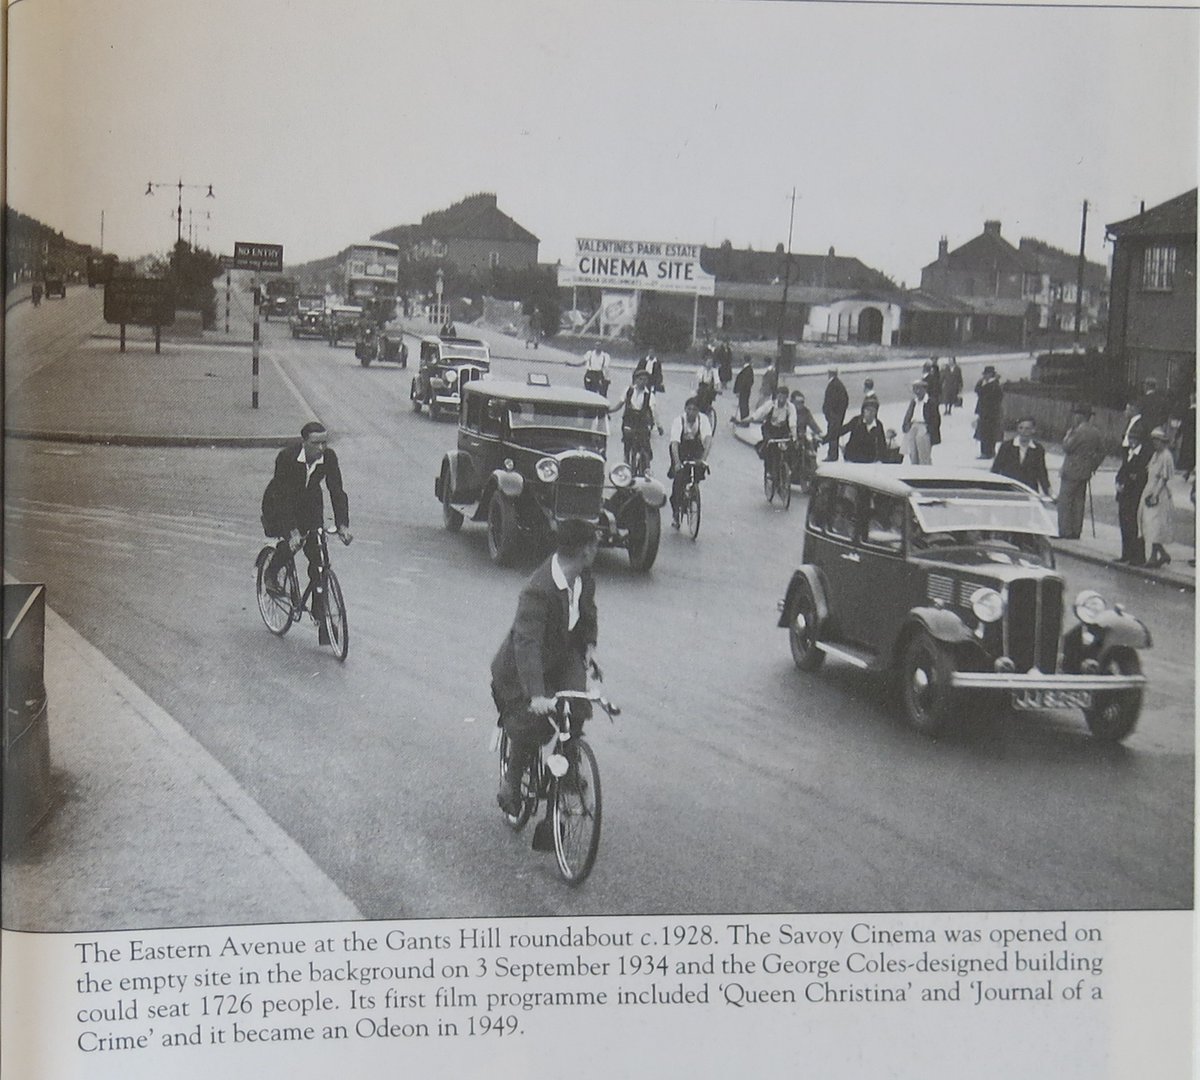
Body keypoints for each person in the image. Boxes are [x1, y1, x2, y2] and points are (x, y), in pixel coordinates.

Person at [492, 519, 599, 838]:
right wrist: (537, 694)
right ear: (585, 551)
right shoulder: (537, 590)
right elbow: (526, 644)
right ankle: (512, 783)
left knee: (578, 706)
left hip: (561, 655)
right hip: (523, 668)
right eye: (594, 544)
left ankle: (566, 769)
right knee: (534, 719)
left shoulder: (583, 577)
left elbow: (587, 614)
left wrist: (589, 649)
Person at [261, 422, 353, 632]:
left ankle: (320, 613)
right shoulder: (287, 458)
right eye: (316, 443)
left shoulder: (329, 458)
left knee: (319, 556)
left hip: (309, 505)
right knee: (293, 544)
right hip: (279, 504)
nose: (321, 448)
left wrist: (342, 525)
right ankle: (271, 573)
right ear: (304, 442)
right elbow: (282, 497)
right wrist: (292, 531)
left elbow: (336, 490)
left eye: (324, 443)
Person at [1057, 403, 1106, 539]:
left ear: (1080, 416)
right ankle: (1076, 531)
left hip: (1071, 470)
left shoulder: (1077, 431)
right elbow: (1102, 452)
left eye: (1076, 414)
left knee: (1065, 501)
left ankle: (1065, 531)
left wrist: (1068, 435)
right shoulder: (1096, 432)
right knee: (1079, 501)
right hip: (1085, 472)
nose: (1074, 417)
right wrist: (1092, 465)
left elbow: (1067, 447)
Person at [668, 397, 713, 528]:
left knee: (698, 472)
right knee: (679, 481)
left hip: (695, 450)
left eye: (695, 409)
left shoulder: (703, 420)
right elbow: (674, 444)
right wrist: (677, 463)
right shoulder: (679, 421)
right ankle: (676, 514)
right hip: (681, 451)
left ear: (698, 411)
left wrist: (703, 459)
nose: (692, 412)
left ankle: (693, 492)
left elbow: (708, 440)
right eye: (689, 409)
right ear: (685, 409)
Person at [1114, 424, 1151, 566]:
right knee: (1124, 524)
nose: (1131, 441)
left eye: (1134, 438)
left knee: (1134, 525)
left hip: (1134, 496)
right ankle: (1126, 553)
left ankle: (1137, 557)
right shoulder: (1129, 453)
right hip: (1124, 494)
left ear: (1140, 440)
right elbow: (1123, 471)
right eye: (1130, 438)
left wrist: (1127, 481)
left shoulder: (1143, 455)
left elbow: (1139, 476)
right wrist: (1118, 482)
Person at [611, 369, 663, 470]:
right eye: (640, 379)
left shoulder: (649, 395)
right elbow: (620, 403)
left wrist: (659, 425)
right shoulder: (629, 391)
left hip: (641, 422)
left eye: (645, 380)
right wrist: (610, 410)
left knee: (644, 444)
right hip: (629, 420)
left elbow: (653, 411)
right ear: (635, 380)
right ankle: (626, 460)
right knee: (627, 441)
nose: (642, 382)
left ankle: (645, 466)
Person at [1140, 427, 1176, 567]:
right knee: (1149, 525)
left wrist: (1155, 494)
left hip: (1159, 494)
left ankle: (1154, 556)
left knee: (1155, 525)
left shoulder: (1166, 456)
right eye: (1153, 440)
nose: (1155, 443)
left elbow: (1164, 478)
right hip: (1149, 489)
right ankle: (1162, 554)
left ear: (1163, 441)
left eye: (1158, 440)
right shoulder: (1155, 455)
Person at [991, 418, 1051, 494]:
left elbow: (1042, 473)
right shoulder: (1006, 446)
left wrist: (1048, 492)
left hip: (1029, 490)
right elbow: (996, 468)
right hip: (1008, 489)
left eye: (1027, 429)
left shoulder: (1038, 449)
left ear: (1033, 430)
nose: (1023, 432)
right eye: (1021, 428)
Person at [901, 379, 937, 465]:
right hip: (913, 426)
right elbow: (908, 414)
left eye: (919, 389)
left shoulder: (930, 402)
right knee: (912, 453)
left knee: (923, 454)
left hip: (924, 426)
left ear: (924, 389)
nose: (917, 392)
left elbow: (935, 419)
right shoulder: (914, 402)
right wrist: (906, 426)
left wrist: (929, 430)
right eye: (915, 389)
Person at [842, 398, 888, 463]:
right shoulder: (856, 421)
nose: (870, 413)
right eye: (868, 410)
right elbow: (842, 430)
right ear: (863, 410)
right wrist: (825, 438)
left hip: (869, 459)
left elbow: (882, 443)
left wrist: (883, 459)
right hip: (852, 457)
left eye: (873, 410)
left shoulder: (878, 425)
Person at [974, 366, 1004, 458]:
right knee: (985, 432)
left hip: (991, 412)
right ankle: (987, 451)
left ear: (991, 374)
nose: (985, 376)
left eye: (986, 374)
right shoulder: (985, 383)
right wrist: (981, 381)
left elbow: (996, 397)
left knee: (989, 433)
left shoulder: (994, 385)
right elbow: (977, 390)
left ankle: (988, 452)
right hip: (984, 412)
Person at [822, 367, 849, 461]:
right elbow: (845, 400)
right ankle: (833, 454)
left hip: (834, 416)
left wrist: (833, 414)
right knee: (834, 433)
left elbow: (831, 401)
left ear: (830, 373)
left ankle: (832, 455)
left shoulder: (834, 385)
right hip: (836, 415)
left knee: (832, 433)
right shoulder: (839, 384)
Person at [695, 351, 721, 422]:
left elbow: (717, 381)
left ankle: (707, 417)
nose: (709, 364)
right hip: (702, 388)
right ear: (705, 362)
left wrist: (718, 388)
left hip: (710, 389)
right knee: (698, 400)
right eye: (708, 362)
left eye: (711, 362)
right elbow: (698, 380)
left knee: (708, 400)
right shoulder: (701, 370)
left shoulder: (714, 371)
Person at [733, 356, 755, 420]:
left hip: (744, 391)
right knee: (744, 404)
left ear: (744, 360)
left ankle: (744, 420)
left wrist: (739, 390)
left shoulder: (747, 369)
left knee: (743, 405)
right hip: (746, 390)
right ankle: (744, 419)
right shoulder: (749, 369)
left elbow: (743, 381)